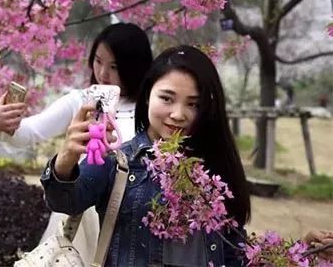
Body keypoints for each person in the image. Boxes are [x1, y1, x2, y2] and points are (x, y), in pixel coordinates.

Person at [41, 45, 251, 266]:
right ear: (147, 96)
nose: (178, 114)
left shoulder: (213, 165)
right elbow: (65, 200)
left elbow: (232, 246)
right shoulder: (119, 161)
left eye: (193, 104)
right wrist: (66, 158)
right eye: (167, 99)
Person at [0, 22, 153, 265]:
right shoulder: (81, 102)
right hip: (80, 215)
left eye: (115, 66)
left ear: (136, 67)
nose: (103, 73)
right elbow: (30, 133)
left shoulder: (153, 108)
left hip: (132, 219)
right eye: (98, 61)